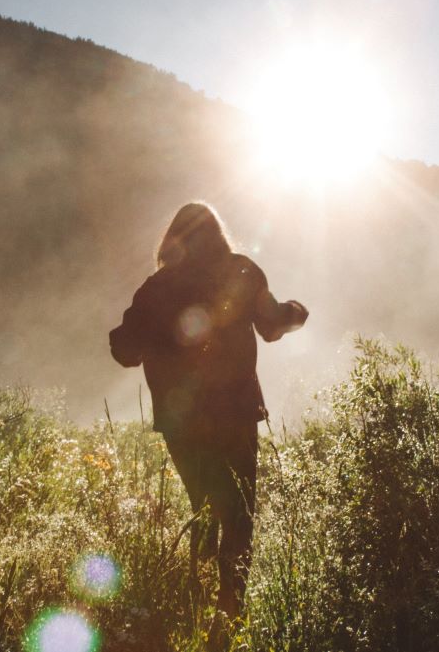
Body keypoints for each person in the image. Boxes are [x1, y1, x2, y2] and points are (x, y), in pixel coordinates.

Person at [109, 201, 308, 622]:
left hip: (181, 420)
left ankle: (197, 608)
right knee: (239, 514)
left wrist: (143, 334)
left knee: (202, 505)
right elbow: (272, 326)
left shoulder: (156, 287)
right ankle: (230, 613)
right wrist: (296, 313)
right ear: (218, 233)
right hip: (235, 412)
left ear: (172, 239)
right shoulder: (241, 270)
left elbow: (125, 350)